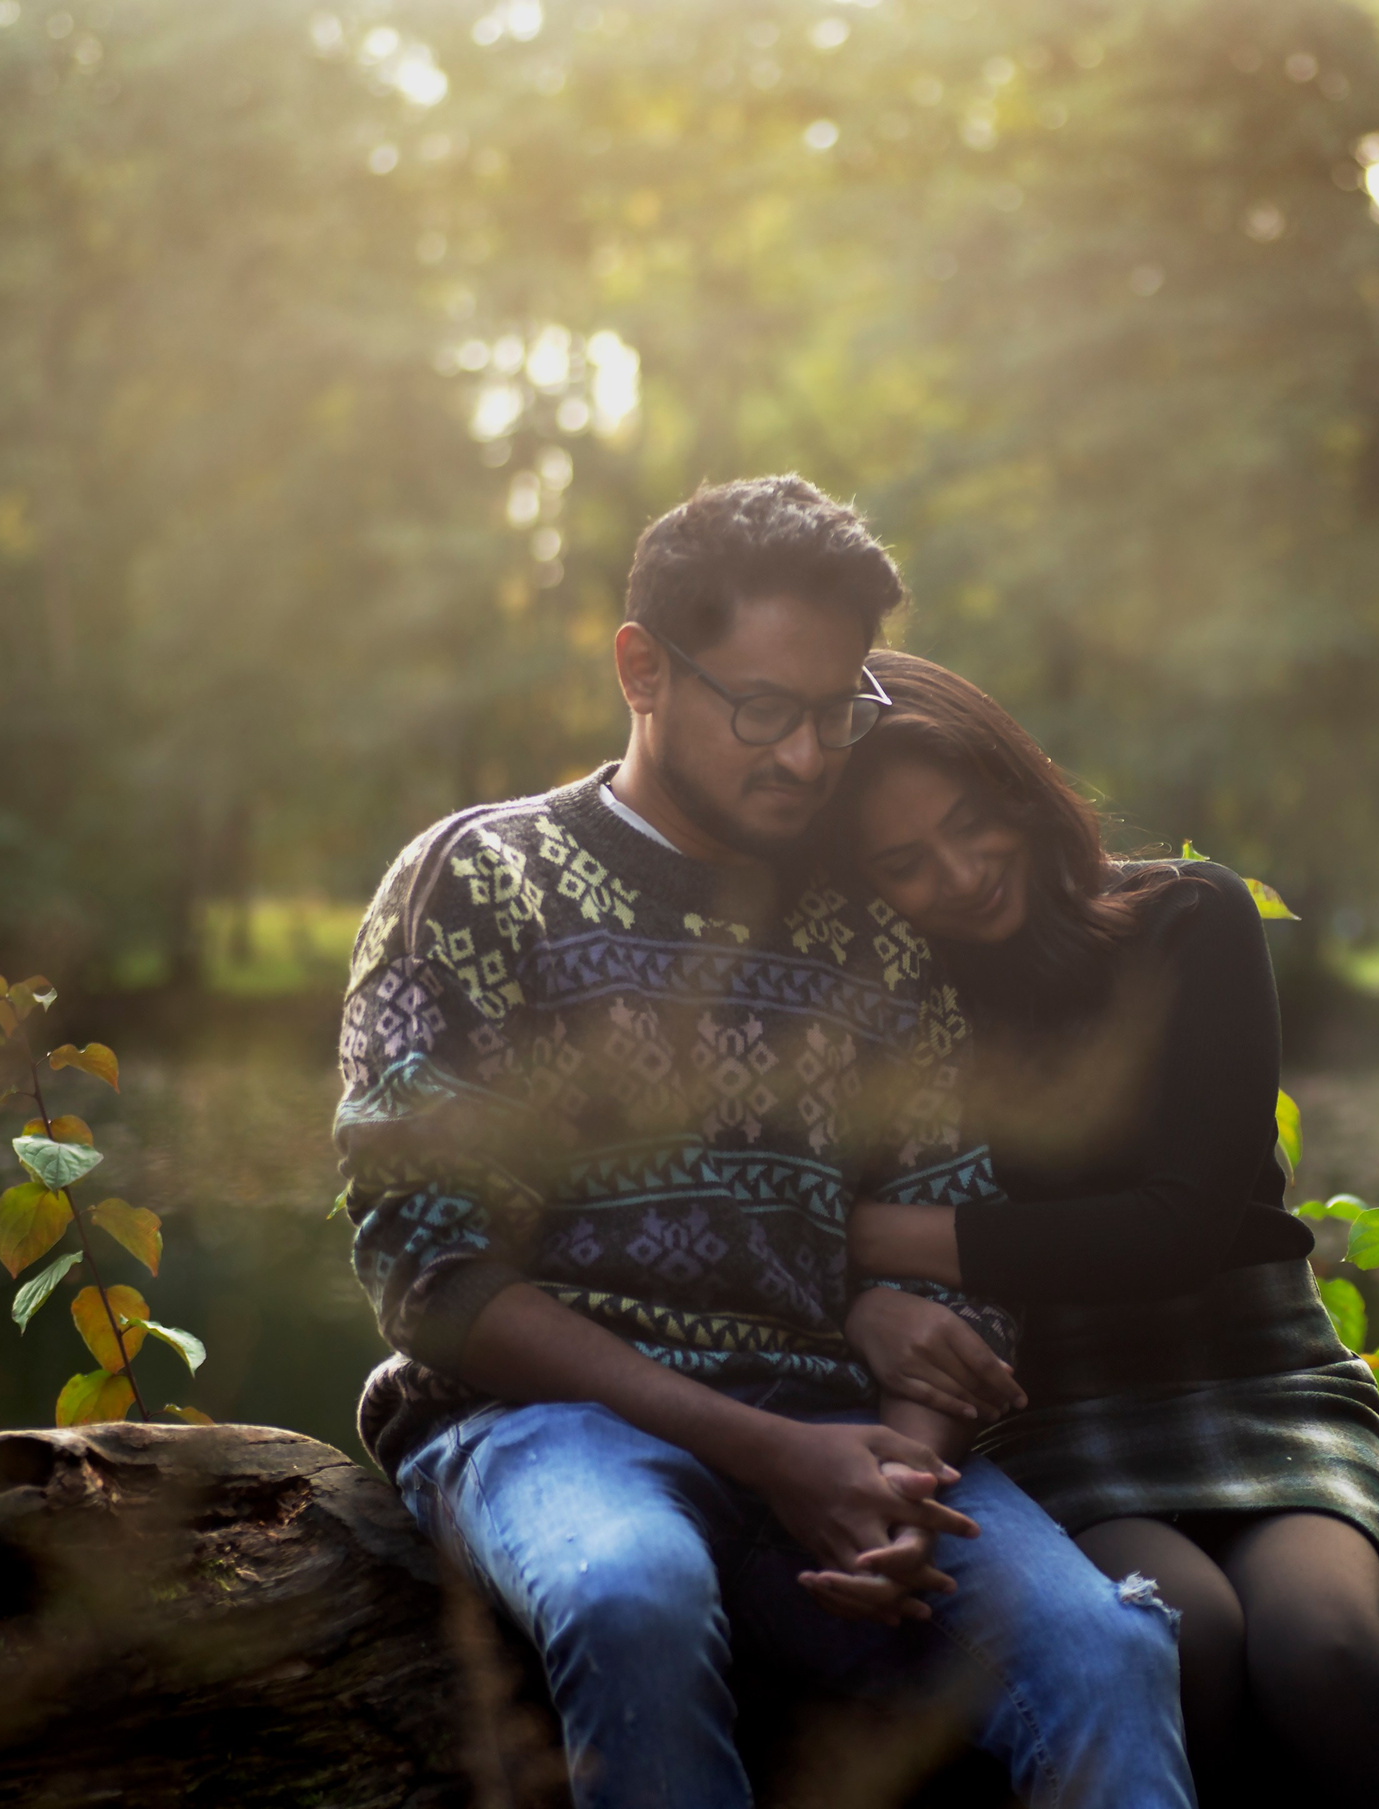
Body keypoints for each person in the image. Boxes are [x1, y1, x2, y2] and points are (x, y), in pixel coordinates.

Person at [332, 479, 1194, 1809]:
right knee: (633, 1592)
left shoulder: (876, 933)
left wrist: (901, 1482)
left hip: (843, 1434)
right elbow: (432, 1274)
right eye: (762, 711)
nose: (805, 757)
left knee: (1106, 1651)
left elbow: (947, 1237)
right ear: (642, 668)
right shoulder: (481, 882)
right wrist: (767, 1452)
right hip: (552, 1429)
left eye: (834, 712)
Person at [829, 652, 1379, 1809]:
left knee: (1317, 1647)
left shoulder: (1189, 916)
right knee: (1189, 1635)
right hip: (1058, 1415)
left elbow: (1177, 1229)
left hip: (1262, 1381)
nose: (962, 875)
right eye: (904, 865)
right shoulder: (892, 1006)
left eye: (975, 826)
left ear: (1017, 787)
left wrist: (877, 1239)